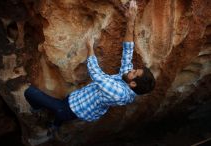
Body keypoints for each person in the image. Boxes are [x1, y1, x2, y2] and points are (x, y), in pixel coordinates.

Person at [24, 0, 155, 142]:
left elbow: (96, 75)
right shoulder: (127, 80)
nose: (132, 69)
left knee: (30, 92)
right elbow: (128, 51)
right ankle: (54, 126)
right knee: (59, 116)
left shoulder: (120, 93)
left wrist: (90, 47)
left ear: (133, 84)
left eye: (135, 72)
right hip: (78, 99)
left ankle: (38, 112)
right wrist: (131, 20)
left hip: (74, 109)